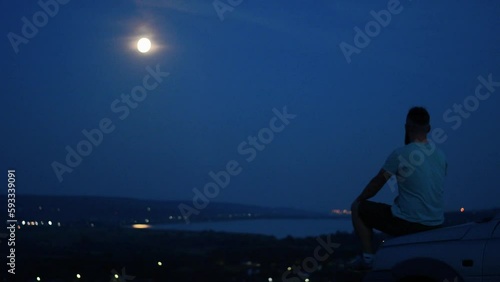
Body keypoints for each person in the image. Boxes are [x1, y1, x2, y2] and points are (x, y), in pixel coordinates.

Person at [349, 106, 447, 270]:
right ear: (428, 128)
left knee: (358, 208)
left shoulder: (401, 153)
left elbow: (377, 183)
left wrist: (359, 200)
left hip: (410, 224)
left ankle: (368, 258)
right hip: (437, 224)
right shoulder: (441, 155)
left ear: (407, 127)